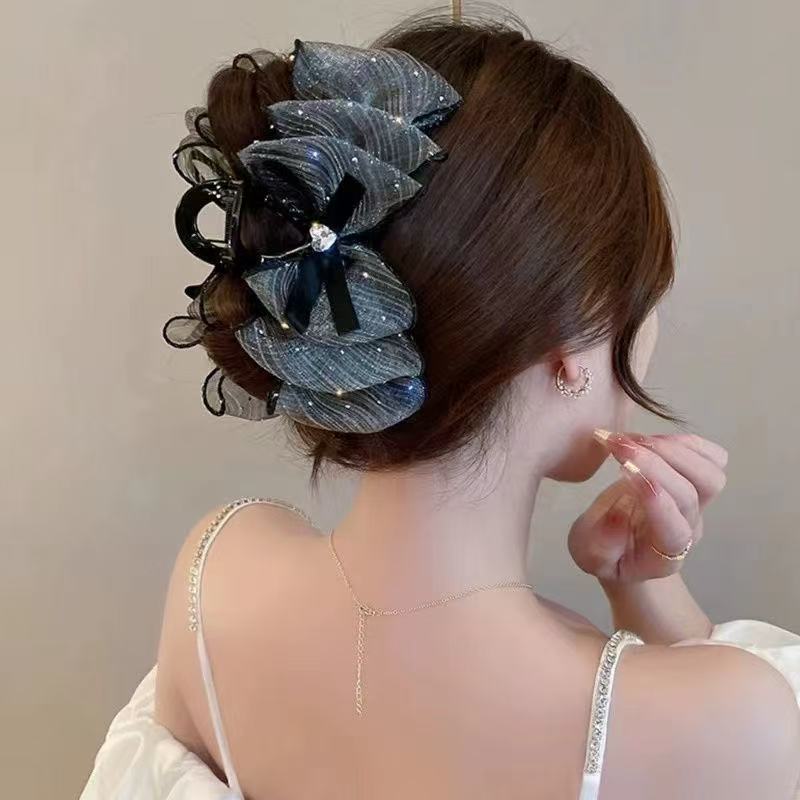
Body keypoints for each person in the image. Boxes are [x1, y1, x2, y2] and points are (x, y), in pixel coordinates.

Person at [81, 12, 800, 800]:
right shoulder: (722, 721)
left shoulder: (216, 575)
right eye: (645, 298)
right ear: (573, 342)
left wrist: (638, 582)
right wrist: (655, 598)